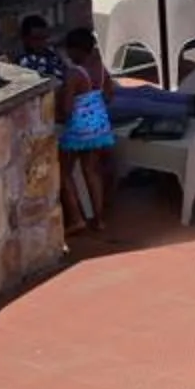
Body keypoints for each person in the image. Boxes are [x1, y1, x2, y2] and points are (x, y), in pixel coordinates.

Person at [11, 16, 195, 127]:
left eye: (44, 36)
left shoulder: (50, 53)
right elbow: (57, 96)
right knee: (142, 105)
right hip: (82, 109)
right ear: (25, 39)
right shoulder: (25, 64)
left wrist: (102, 85)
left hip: (90, 95)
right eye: (37, 38)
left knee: (145, 91)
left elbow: (75, 72)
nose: (42, 42)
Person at [55, 27, 117, 235]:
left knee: (64, 173)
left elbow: (67, 108)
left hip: (77, 130)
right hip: (99, 128)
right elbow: (109, 95)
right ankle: (99, 220)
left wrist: (59, 115)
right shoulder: (100, 69)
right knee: (92, 172)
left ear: (76, 50)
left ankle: (77, 219)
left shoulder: (74, 74)